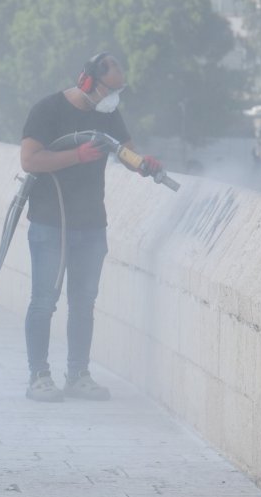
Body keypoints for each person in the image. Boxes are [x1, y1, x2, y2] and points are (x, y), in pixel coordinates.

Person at [19, 52, 162, 402]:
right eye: (109, 90)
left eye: (118, 91)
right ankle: (39, 376)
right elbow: (30, 159)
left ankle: (78, 374)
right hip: (51, 223)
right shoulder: (48, 110)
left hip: (91, 224)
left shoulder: (108, 114)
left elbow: (125, 151)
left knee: (83, 303)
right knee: (44, 301)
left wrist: (143, 164)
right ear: (88, 82)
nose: (113, 98)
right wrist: (76, 156)